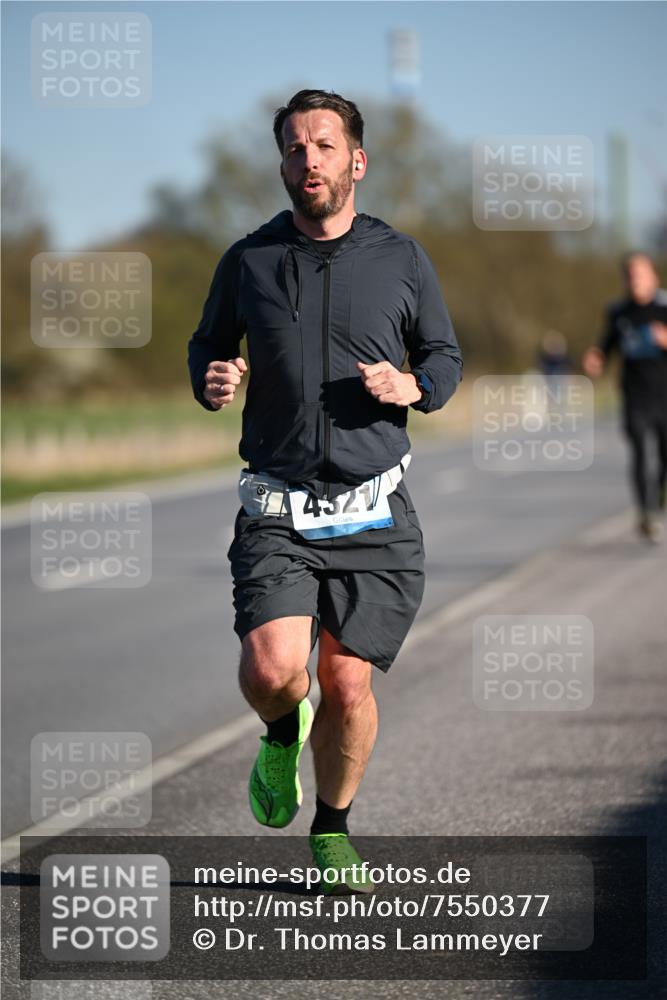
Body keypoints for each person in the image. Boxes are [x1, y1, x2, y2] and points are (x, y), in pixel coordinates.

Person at [188, 89, 462, 893]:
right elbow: (209, 339)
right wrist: (210, 376)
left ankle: (333, 827)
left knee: (346, 684)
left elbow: (443, 357)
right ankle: (280, 734)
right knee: (278, 672)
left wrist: (413, 387)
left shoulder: (402, 258)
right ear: (282, 164)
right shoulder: (249, 260)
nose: (308, 159)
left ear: (355, 161)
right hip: (277, 504)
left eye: (323, 145)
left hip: (375, 506)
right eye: (294, 148)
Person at [583, 252, 667, 543]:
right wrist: (597, 358)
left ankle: (658, 500)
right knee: (641, 453)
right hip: (635, 395)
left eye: (640, 273)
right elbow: (607, 344)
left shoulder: (664, 306)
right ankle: (647, 513)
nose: (635, 279)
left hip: (665, 395)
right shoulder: (619, 312)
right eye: (630, 274)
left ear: (653, 276)